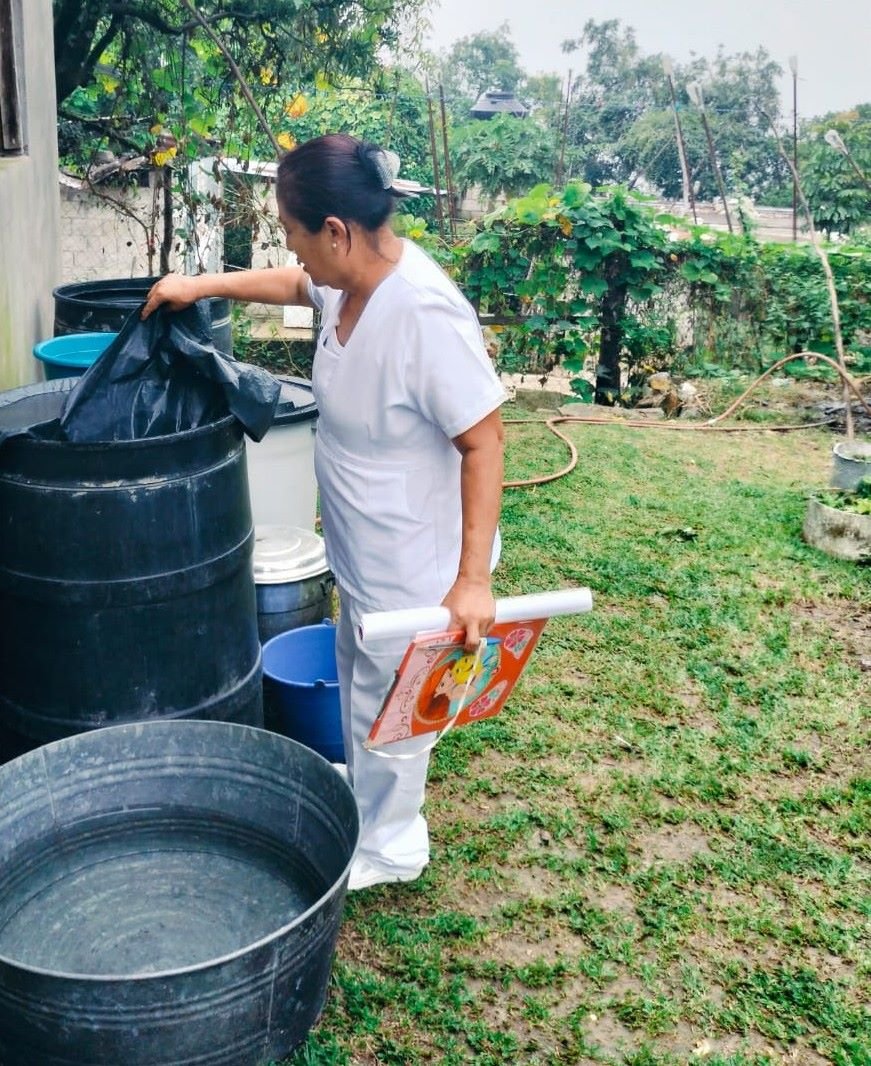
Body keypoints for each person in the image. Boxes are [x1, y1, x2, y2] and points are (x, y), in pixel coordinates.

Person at [142, 134, 506, 890]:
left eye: (297, 236)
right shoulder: (347, 281)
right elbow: (294, 286)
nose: (295, 252)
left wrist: (471, 580)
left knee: (399, 701)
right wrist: (201, 287)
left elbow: (484, 442)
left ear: (335, 231)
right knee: (357, 672)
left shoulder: (424, 313)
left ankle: (392, 844)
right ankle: (368, 801)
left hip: (414, 556)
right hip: (361, 539)